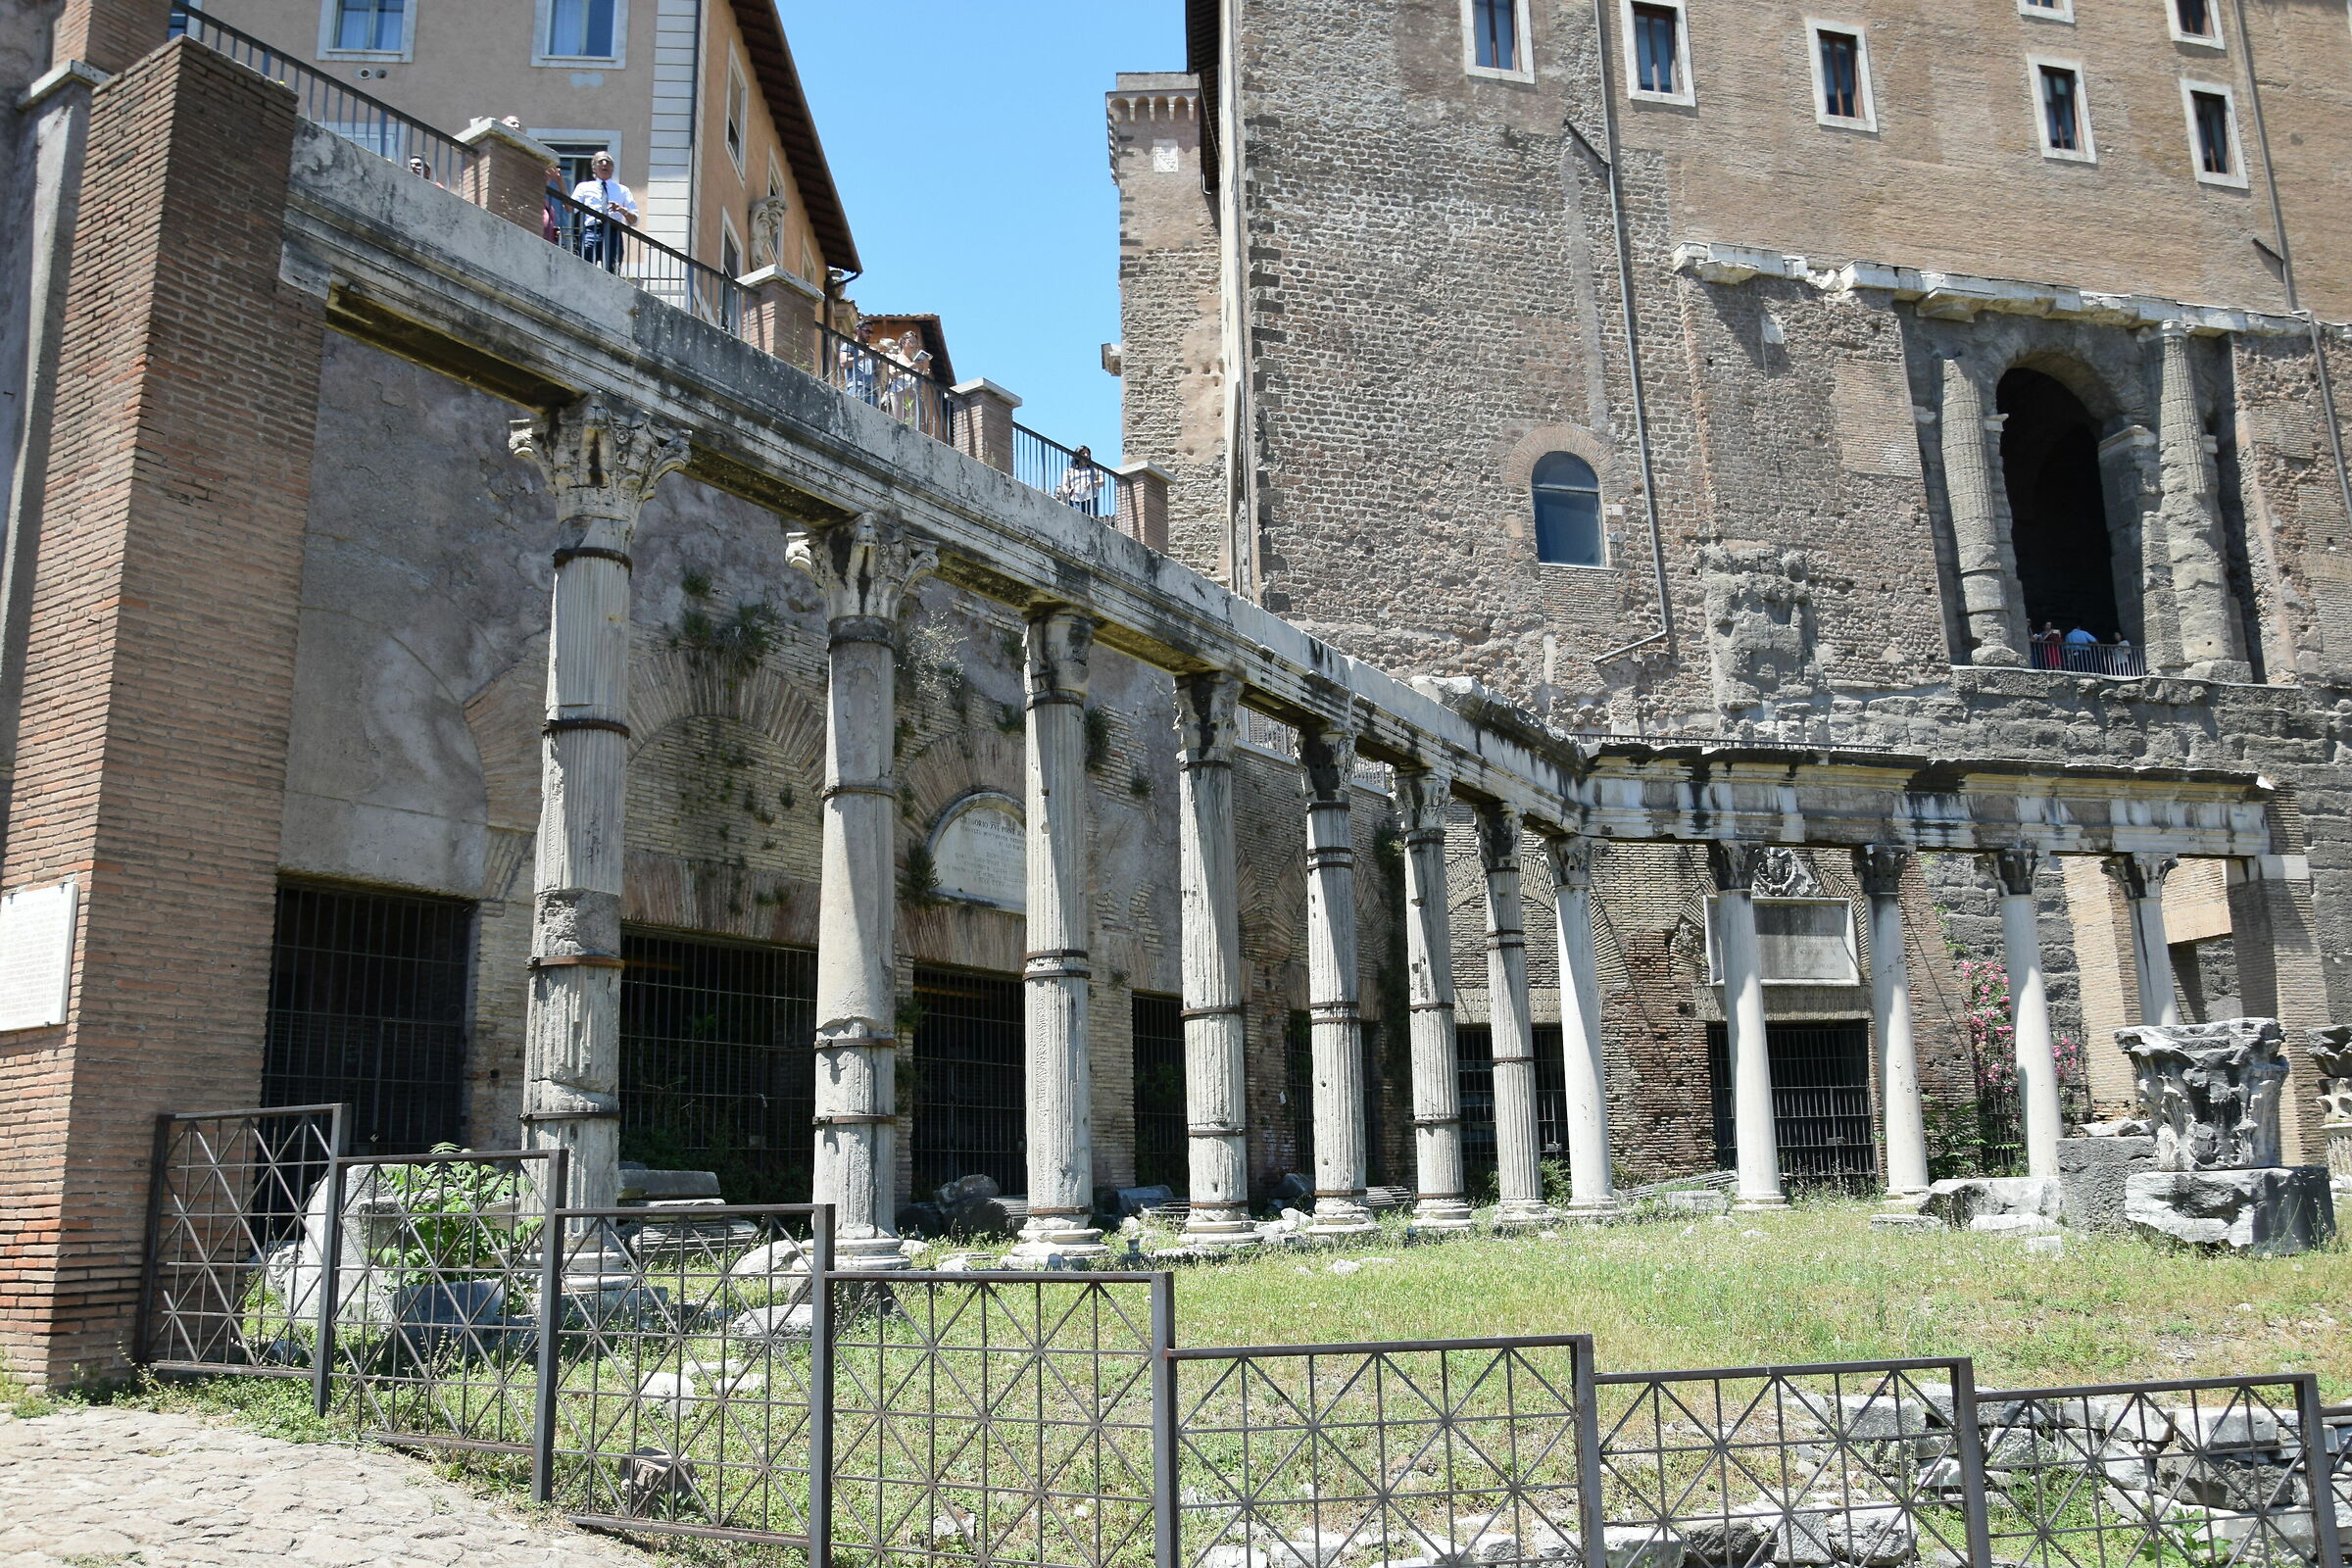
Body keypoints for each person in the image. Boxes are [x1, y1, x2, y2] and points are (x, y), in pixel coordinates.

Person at [570, 152, 638, 270]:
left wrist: (622, 210)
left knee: (612, 271)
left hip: (613, 232)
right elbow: (570, 208)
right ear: (594, 168)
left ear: (612, 168)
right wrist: (561, 183)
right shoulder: (584, 187)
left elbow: (635, 220)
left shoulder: (622, 190)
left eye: (608, 162)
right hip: (591, 230)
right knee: (585, 269)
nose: (605, 164)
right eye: (600, 161)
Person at [1056, 446, 1105, 512]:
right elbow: (1064, 484)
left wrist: (1092, 484)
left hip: (1090, 498)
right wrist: (1068, 491)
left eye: (1087, 453)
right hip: (1075, 499)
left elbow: (1102, 482)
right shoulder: (1069, 470)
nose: (1086, 455)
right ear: (1077, 456)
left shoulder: (1094, 469)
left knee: (1091, 518)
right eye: (1083, 453)